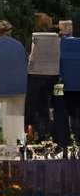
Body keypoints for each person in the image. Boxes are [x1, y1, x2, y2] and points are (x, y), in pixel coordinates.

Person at [0, 17, 28, 147]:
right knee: (16, 121)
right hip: (20, 88)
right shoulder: (19, 45)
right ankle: (15, 148)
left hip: (0, 88)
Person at [27, 16, 61, 152]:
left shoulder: (35, 37)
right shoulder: (57, 38)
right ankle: (56, 136)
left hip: (36, 76)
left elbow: (31, 56)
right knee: (57, 105)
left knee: (36, 106)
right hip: (56, 77)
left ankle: (39, 135)